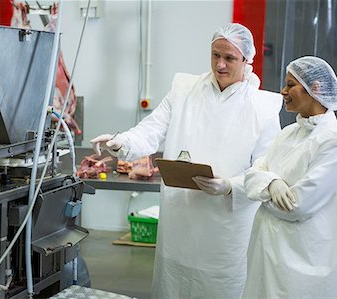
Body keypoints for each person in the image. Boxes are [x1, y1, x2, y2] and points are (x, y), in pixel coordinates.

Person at [91, 23, 282, 298]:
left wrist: (230, 186)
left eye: (229, 58)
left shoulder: (262, 108)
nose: (220, 65)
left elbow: (265, 168)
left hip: (226, 228)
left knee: (219, 288)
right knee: (174, 284)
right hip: (180, 219)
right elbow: (153, 128)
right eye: (216, 55)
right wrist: (122, 142)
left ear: (247, 60)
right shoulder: (185, 89)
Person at [242, 56, 337, 298]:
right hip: (268, 255)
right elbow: (253, 174)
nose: (283, 91)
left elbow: (296, 205)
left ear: (315, 88)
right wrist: (272, 183)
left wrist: (265, 182)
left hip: (304, 264)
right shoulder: (288, 134)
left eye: (290, 84)